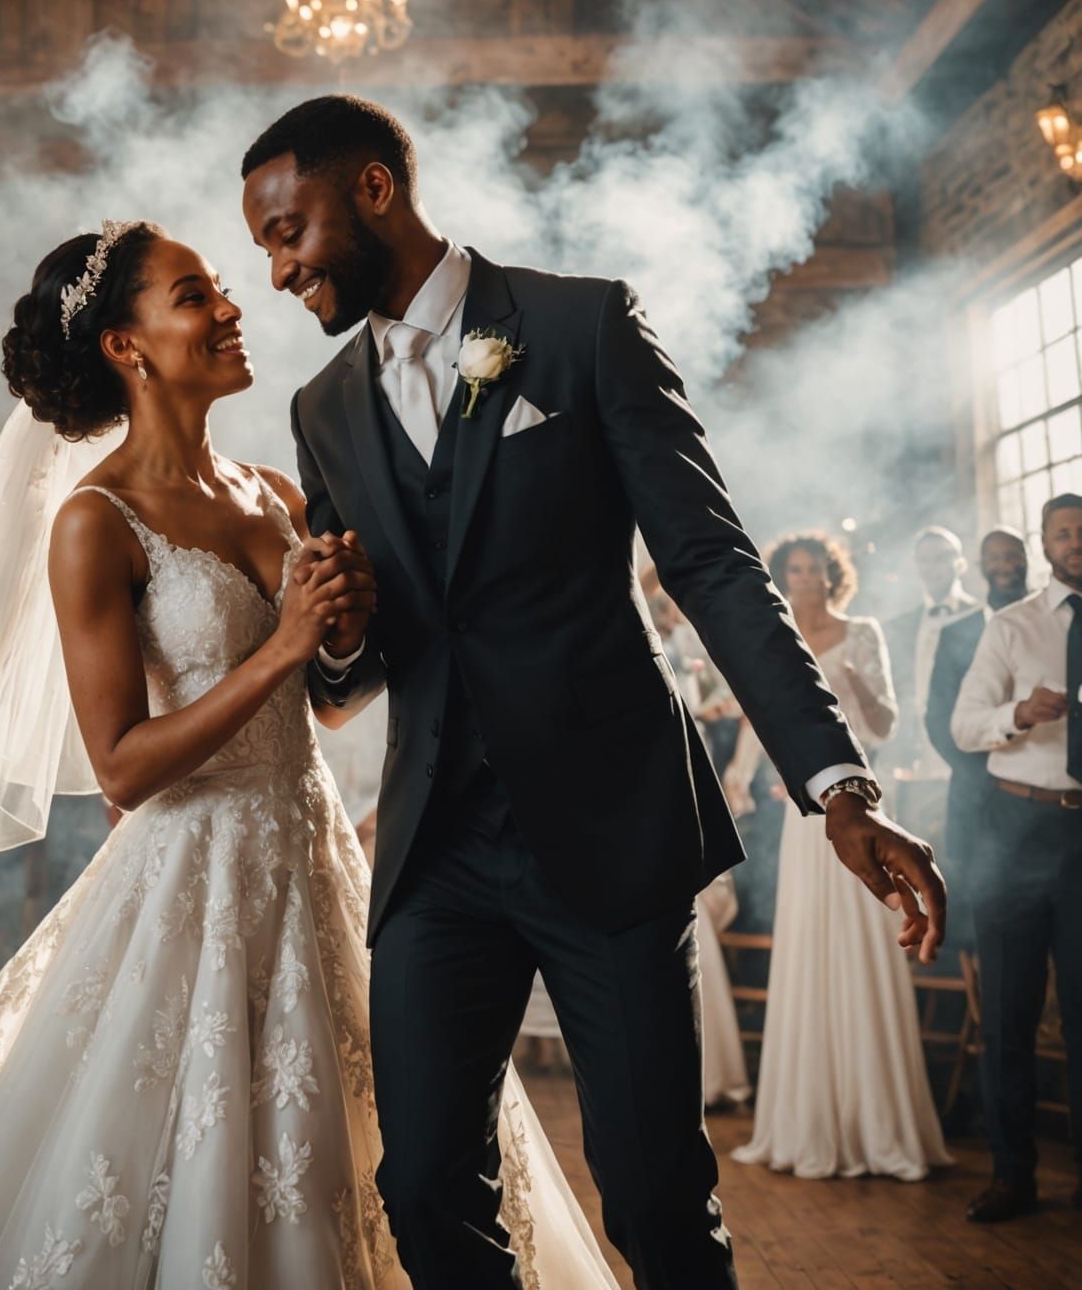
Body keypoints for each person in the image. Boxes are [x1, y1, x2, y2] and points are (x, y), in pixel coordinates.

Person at [0, 224, 618, 1290]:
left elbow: (326, 708)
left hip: (311, 850)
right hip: (191, 867)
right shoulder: (96, 522)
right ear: (126, 349)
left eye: (224, 289)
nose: (234, 308)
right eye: (196, 295)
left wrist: (343, 635)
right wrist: (284, 641)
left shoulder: (277, 489)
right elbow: (123, 768)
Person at [241, 94, 946, 1290]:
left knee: (657, 1194)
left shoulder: (580, 327)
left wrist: (838, 783)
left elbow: (715, 566)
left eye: (287, 230)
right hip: (438, 854)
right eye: (263, 244)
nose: (275, 270)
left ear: (372, 190)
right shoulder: (322, 412)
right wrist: (339, 636)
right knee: (418, 1189)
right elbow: (354, 667)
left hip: (609, 828)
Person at [732, 533, 950, 1181]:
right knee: (805, 953)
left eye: (818, 568)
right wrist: (750, 776)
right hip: (806, 819)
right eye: (795, 570)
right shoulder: (769, 634)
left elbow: (885, 728)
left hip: (861, 810)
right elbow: (755, 720)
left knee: (864, 947)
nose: (808, 580)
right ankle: (807, 1123)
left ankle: (877, 1126)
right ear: (781, 577)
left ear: (835, 574)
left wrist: (853, 678)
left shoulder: (864, 632)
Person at [951, 493, 1082, 1223]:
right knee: (1007, 1011)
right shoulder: (1012, 625)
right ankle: (1012, 1173)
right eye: (1063, 531)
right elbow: (963, 725)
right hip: (1015, 828)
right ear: (1045, 543)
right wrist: (1016, 715)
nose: (1075, 541)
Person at [924, 527, 1032, 951]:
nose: (1005, 565)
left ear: (1029, 557)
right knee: (989, 931)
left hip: (1051, 803)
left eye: (1013, 555)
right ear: (981, 566)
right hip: (978, 798)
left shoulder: (1055, 621)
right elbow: (937, 720)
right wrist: (988, 770)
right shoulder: (957, 632)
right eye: (995, 557)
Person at [884, 526, 982, 783]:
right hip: (915, 751)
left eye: (941, 558)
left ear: (959, 563)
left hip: (968, 746)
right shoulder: (901, 625)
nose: (932, 567)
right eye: (924, 560)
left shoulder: (982, 617)